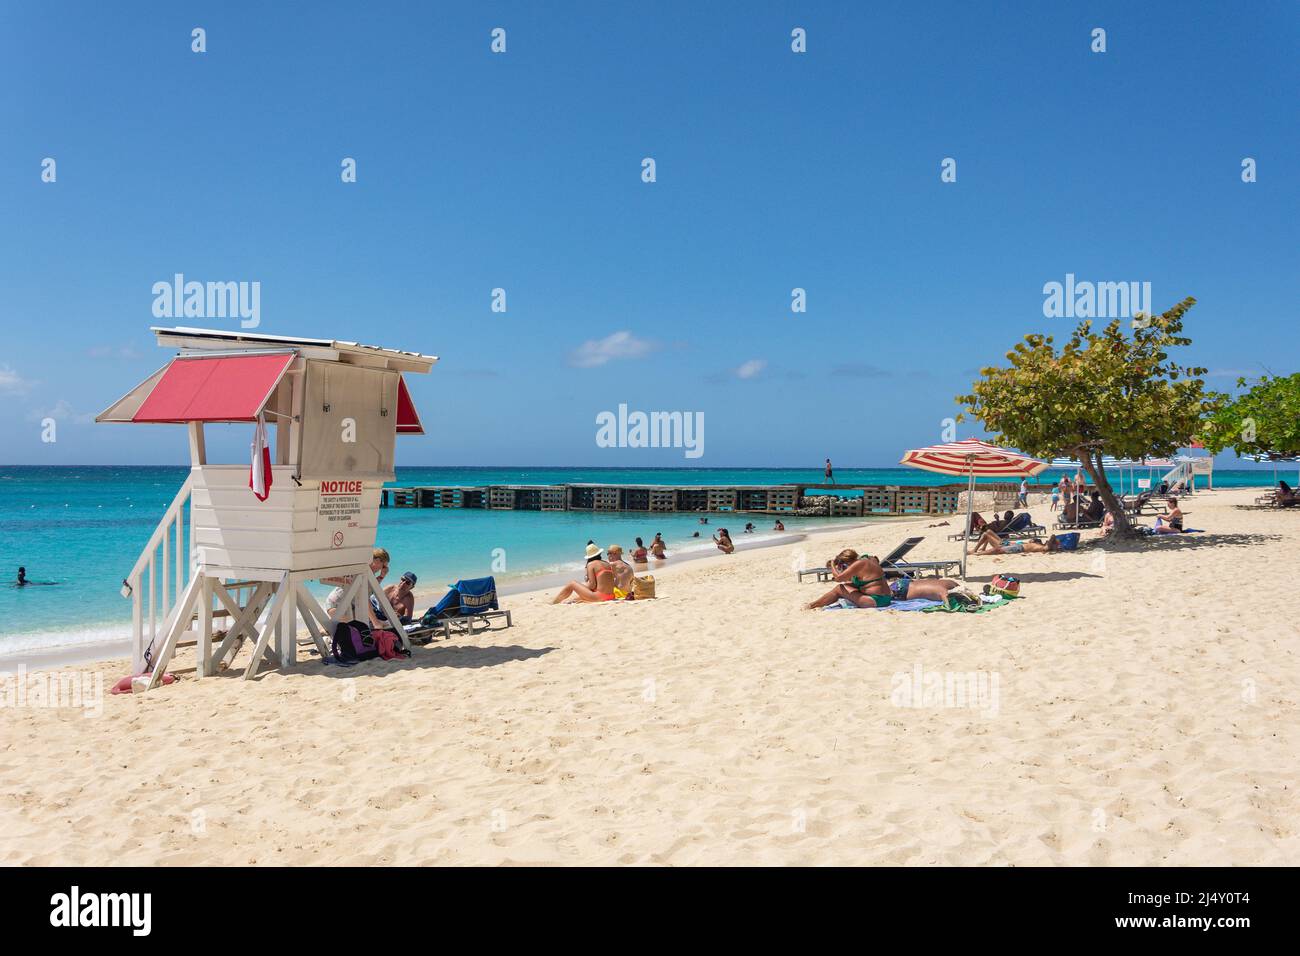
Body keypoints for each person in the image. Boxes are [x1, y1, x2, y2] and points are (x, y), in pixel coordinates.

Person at [804, 549, 961, 609]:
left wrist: (832, 564)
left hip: (876, 601)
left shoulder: (859, 564)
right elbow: (867, 580)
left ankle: (813, 605)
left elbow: (838, 579)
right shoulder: (869, 559)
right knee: (850, 586)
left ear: (848, 561)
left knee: (839, 589)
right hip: (886, 597)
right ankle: (815, 604)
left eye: (845, 565)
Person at [323, 548, 389, 626]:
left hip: (344, 607)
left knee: (362, 623)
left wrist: (381, 576)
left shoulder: (366, 571)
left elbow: (370, 589)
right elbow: (364, 598)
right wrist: (376, 623)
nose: (382, 569)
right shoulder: (363, 571)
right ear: (377, 561)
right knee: (362, 624)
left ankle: (328, 626)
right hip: (337, 606)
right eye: (383, 566)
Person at [551, 542, 616, 603]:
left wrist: (582, 586)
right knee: (575, 599)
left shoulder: (591, 564)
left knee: (572, 583)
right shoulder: (606, 563)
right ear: (599, 553)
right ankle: (560, 601)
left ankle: (554, 602)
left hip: (600, 597)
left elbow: (592, 586)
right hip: (611, 596)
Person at [973, 529, 1061, 554]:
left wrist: (1053, 537)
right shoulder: (1037, 544)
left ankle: (976, 551)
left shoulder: (1042, 547)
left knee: (986, 535)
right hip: (1008, 543)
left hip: (1017, 547)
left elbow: (1047, 547)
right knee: (988, 531)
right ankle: (983, 547)